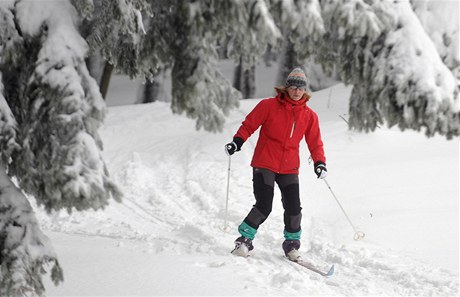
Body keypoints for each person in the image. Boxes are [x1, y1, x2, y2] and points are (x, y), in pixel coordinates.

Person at [224, 67, 327, 261]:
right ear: (286, 88)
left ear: (305, 90)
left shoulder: (309, 115)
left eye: (300, 87)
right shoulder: (268, 106)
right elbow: (249, 125)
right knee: (264, 205)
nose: (297, 91)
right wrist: (237, 142)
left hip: (289, 167)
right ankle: (244, 241)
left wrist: (319, 163)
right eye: (293, 86)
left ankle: (291, 245)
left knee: (294, 208)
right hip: (265, 163)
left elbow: (315, 143)